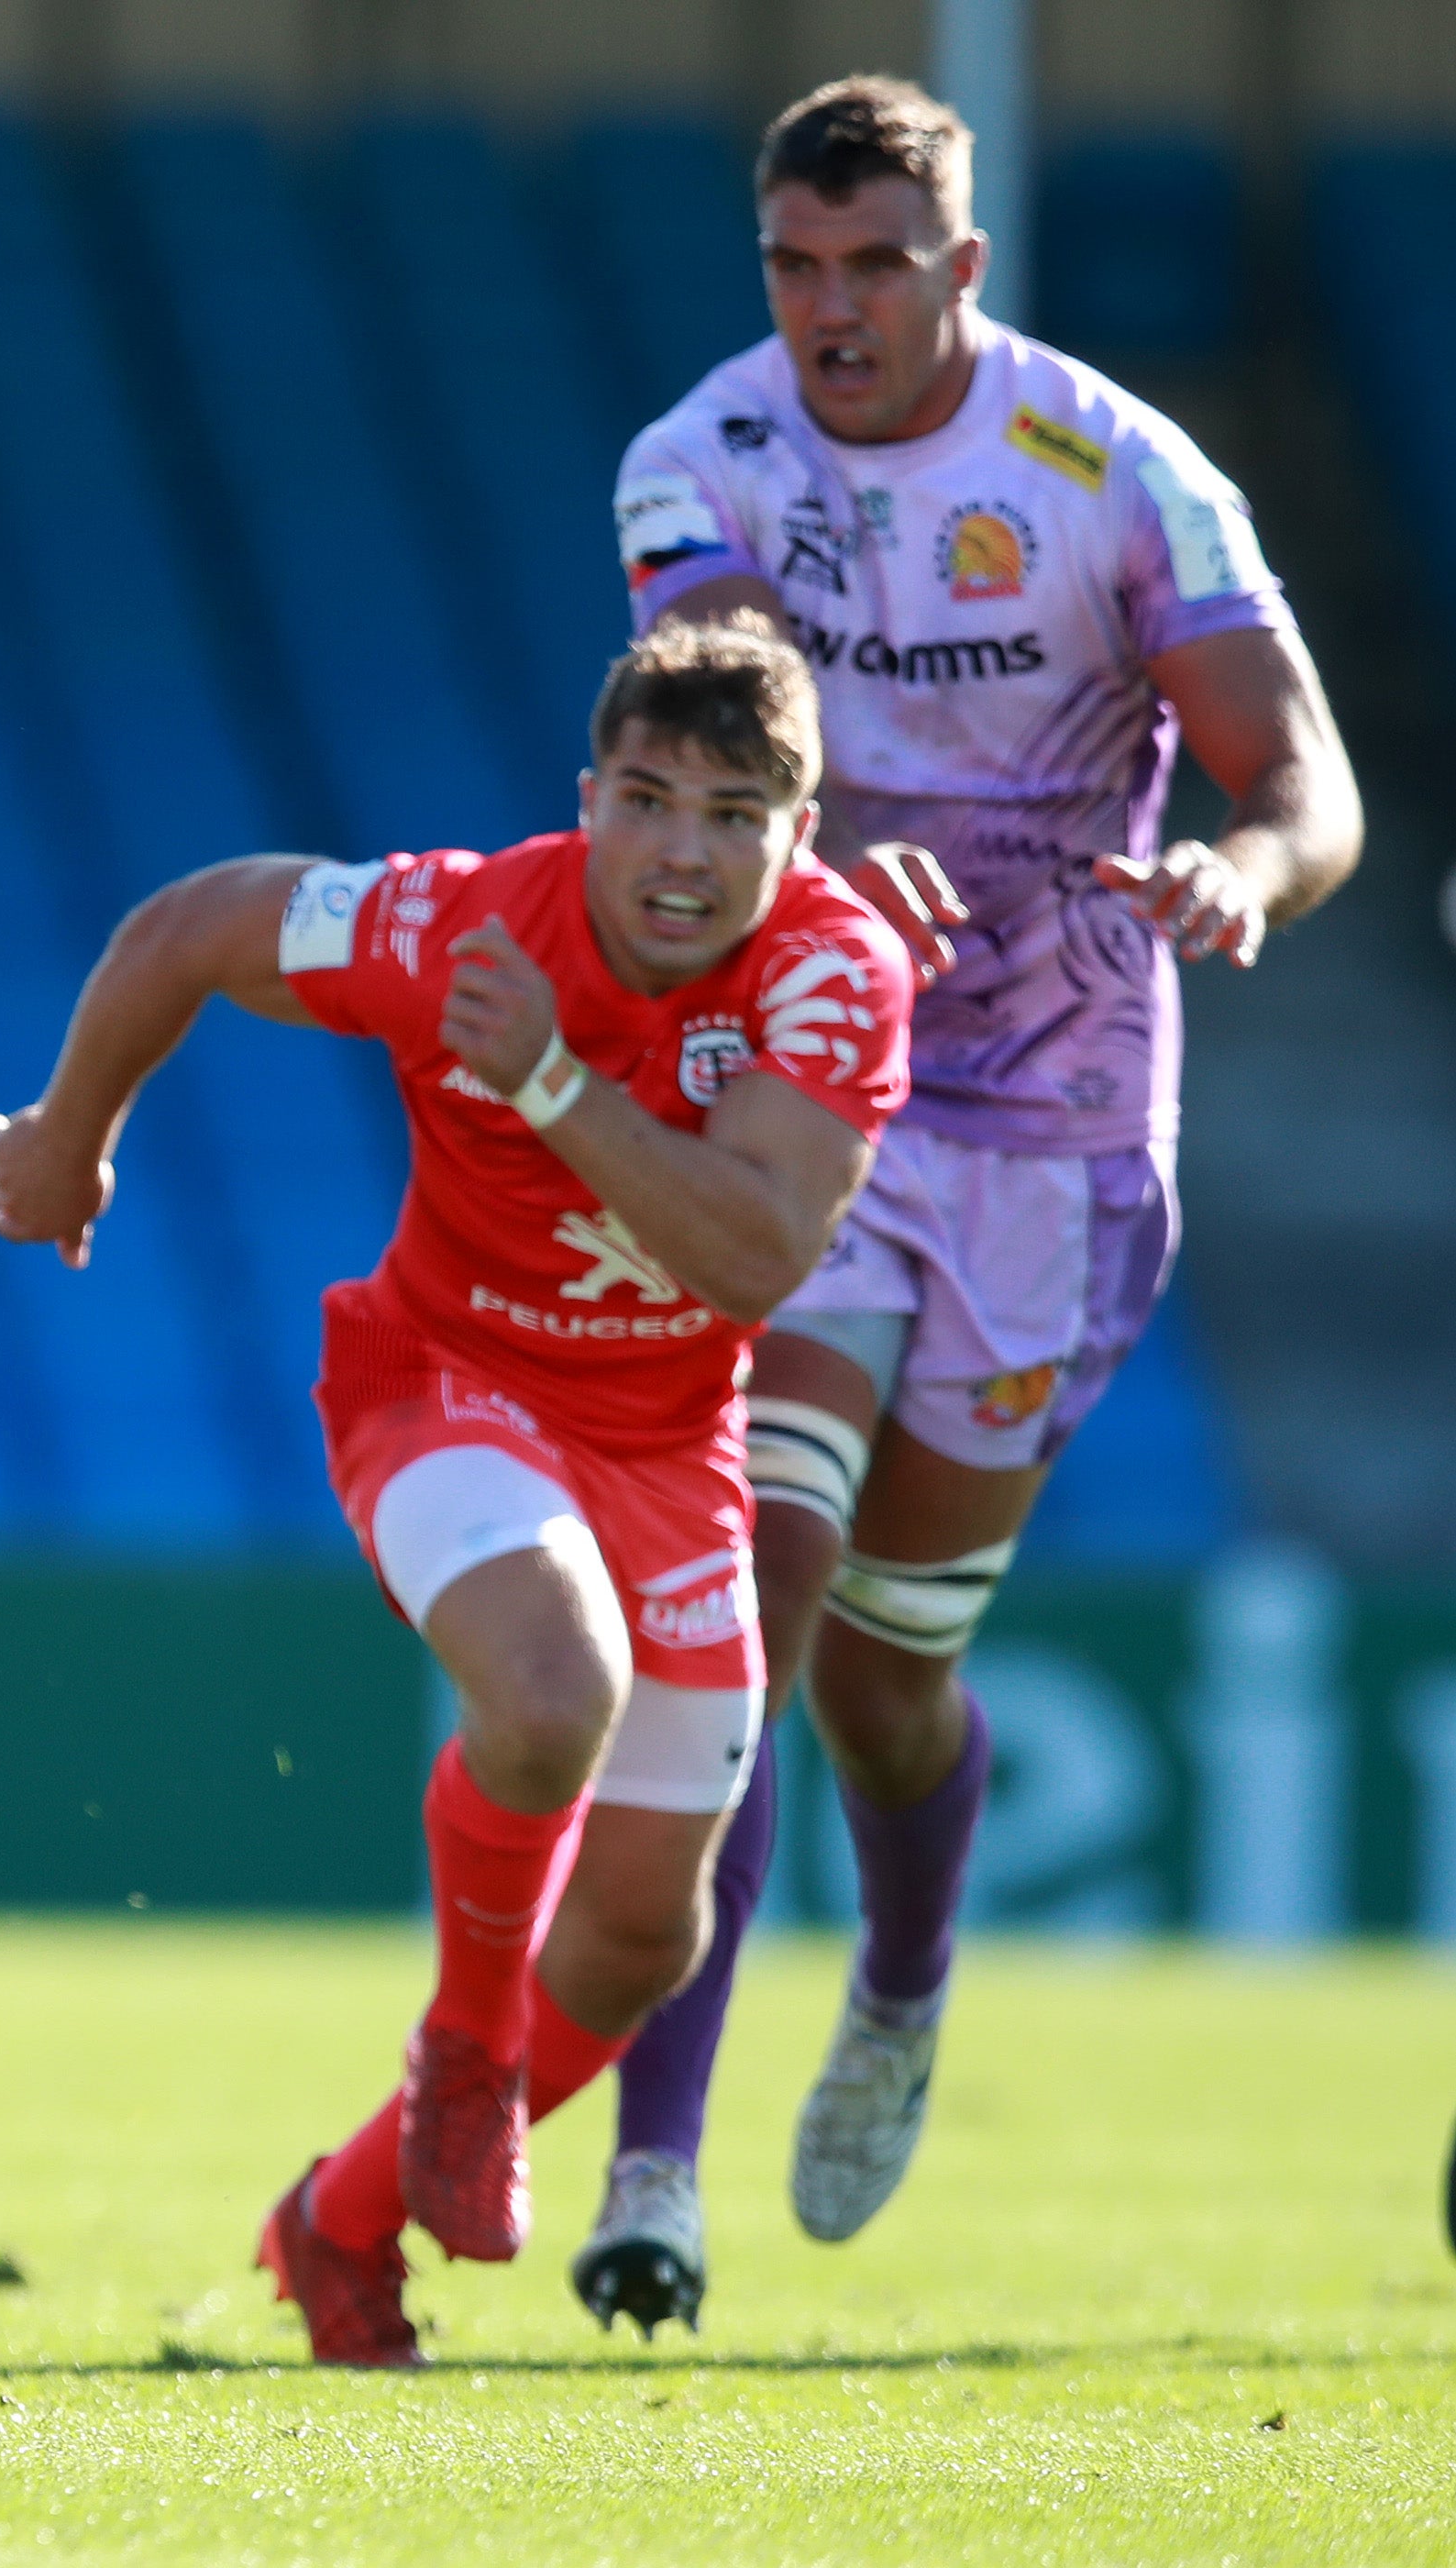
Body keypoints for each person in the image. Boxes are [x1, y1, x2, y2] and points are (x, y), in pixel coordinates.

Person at [579, 74, 1362, 2330]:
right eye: (790, 270)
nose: (825, 315)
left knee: (889, 1675)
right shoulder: (701, 460)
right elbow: (719, 736)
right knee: (751, 1570)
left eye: (870, 269)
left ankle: (903, 1974)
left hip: (1055, 1123)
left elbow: (1296, 772)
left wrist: (1240, 862)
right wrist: (810, 872)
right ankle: (654, 2175)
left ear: (961, 268)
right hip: (825, 1087)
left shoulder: (1114, 476)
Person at [0, 623, 913, 2365]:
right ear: (588, 801)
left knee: (647, 1930)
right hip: (445, 1385)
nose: (681, 852)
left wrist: (549, 1081)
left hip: (665, 1437)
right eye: (644, 800)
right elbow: (187, 929)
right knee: (554, 1692)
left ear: (800, 833)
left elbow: (752, 1257)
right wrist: (66, 1132)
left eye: (731, 813)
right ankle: (468, 2061)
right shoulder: (454, 918)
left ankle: (337, 2228)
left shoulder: (836, 972)